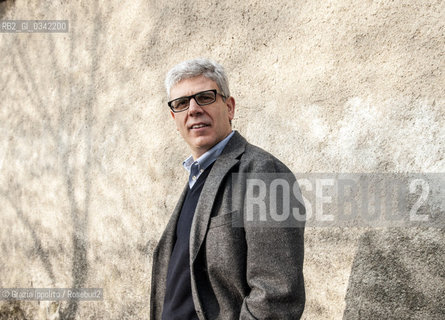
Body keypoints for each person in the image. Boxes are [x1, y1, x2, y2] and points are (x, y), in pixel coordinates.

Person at [150, 58, 305, 320]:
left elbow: (277, 296)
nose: (194, 109)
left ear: (229, 107)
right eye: (181, 103)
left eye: (206, 97)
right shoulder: (196, 177)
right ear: (174, 117)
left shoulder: (262, 172)